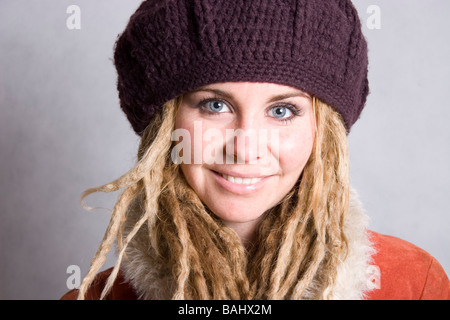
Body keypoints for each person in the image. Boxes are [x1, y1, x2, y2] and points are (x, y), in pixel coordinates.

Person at [61, 0, 449, 300]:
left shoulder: (412, 283)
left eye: (282, 111)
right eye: (215, 105)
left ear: (324, 133)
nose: (245, 148)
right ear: (165, 126)